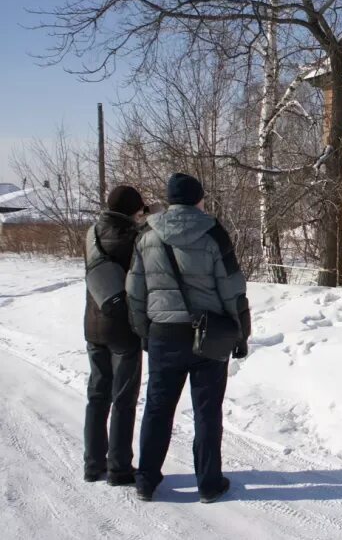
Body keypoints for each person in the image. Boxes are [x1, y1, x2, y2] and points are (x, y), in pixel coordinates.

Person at [126, 173, 250, 503]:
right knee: (207, 412)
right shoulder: (213, 232)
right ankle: (209, 484)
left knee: (157, 408)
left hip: (163, 334)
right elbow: (232, 287)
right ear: (198, 199)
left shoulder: (147, 233)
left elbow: (134, 290)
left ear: (169, 200)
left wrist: (144, 330)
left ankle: (146, 481)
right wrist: (240, 331)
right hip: (209, 335)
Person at [83, 185, 148, 485]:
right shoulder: (134, 239)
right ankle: (120, 467)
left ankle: (93, 464)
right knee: (123, 399)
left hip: (93, 325)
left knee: (97, 396)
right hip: (123, 330)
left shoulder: (92, 234)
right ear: (133, 211)